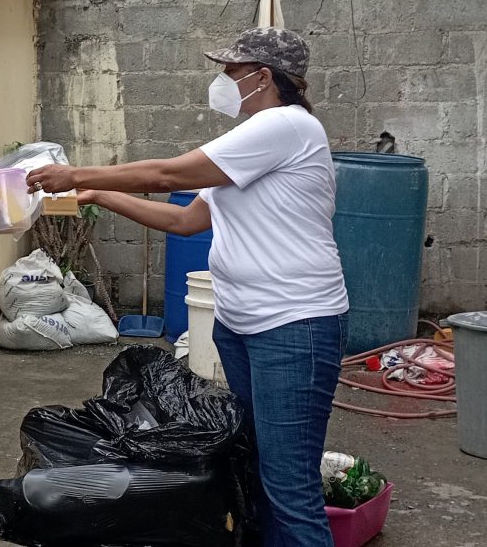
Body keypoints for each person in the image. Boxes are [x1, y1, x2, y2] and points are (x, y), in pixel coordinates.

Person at [27, 27, 349, 547]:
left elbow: (165, 173)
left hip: (294, 326)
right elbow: (185, 221)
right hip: (244, 324)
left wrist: (77, 173)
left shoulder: (284, 125)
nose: (221, 82)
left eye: (231, 71)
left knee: (290, 487)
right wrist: (97, 195)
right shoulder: (247, 146)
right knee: (256, 469)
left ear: (262, 77)